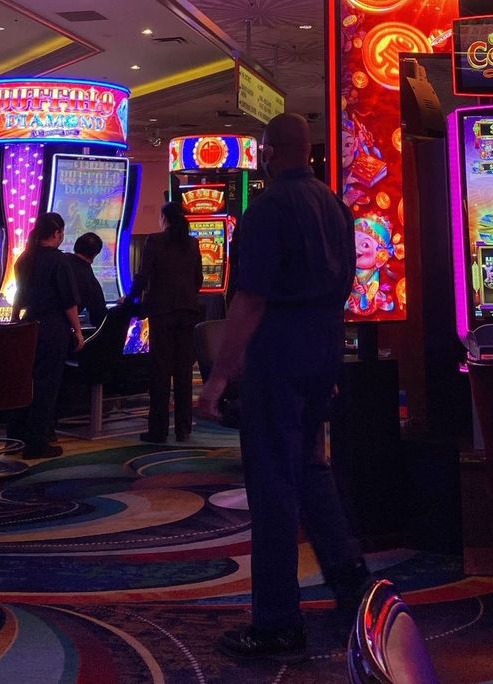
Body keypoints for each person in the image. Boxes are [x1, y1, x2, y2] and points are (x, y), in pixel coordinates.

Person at [198, 112, 369, 665]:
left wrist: (220, 375)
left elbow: (249, 300)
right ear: (309, 152)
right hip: (325, 347)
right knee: (312, 469)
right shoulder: (335, 206)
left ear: (269, 152)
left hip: (279, 352)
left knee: (272, 485)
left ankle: (276, 623)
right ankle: (352, 588)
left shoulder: (266, 209)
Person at [10, 211, 84, 459]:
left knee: (26, 383)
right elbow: (68, 302)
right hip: (52, 328)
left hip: (27, 325)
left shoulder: (25, 258)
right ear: (57, 233)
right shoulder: (59, 261)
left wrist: (14, 322)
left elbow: (18, 298)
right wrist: (78, 331)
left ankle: (17, 435)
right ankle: (37, 442)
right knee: (46, 386)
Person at [133, 201, 203, 444]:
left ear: (164, 218)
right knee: (183, 371)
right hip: (188, 311)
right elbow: (199, 279)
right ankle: (183, 429)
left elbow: (143, 276)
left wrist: (130, 297)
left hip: (162, 311)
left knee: (160, 372)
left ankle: (158, 430)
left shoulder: (155, 240)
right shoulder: (192, 243)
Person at [67, 232, 107, 329]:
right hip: (60, 330)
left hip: (33, 324)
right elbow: (98, 317)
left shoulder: (59, 260)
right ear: (95, 254)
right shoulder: (90, 280)